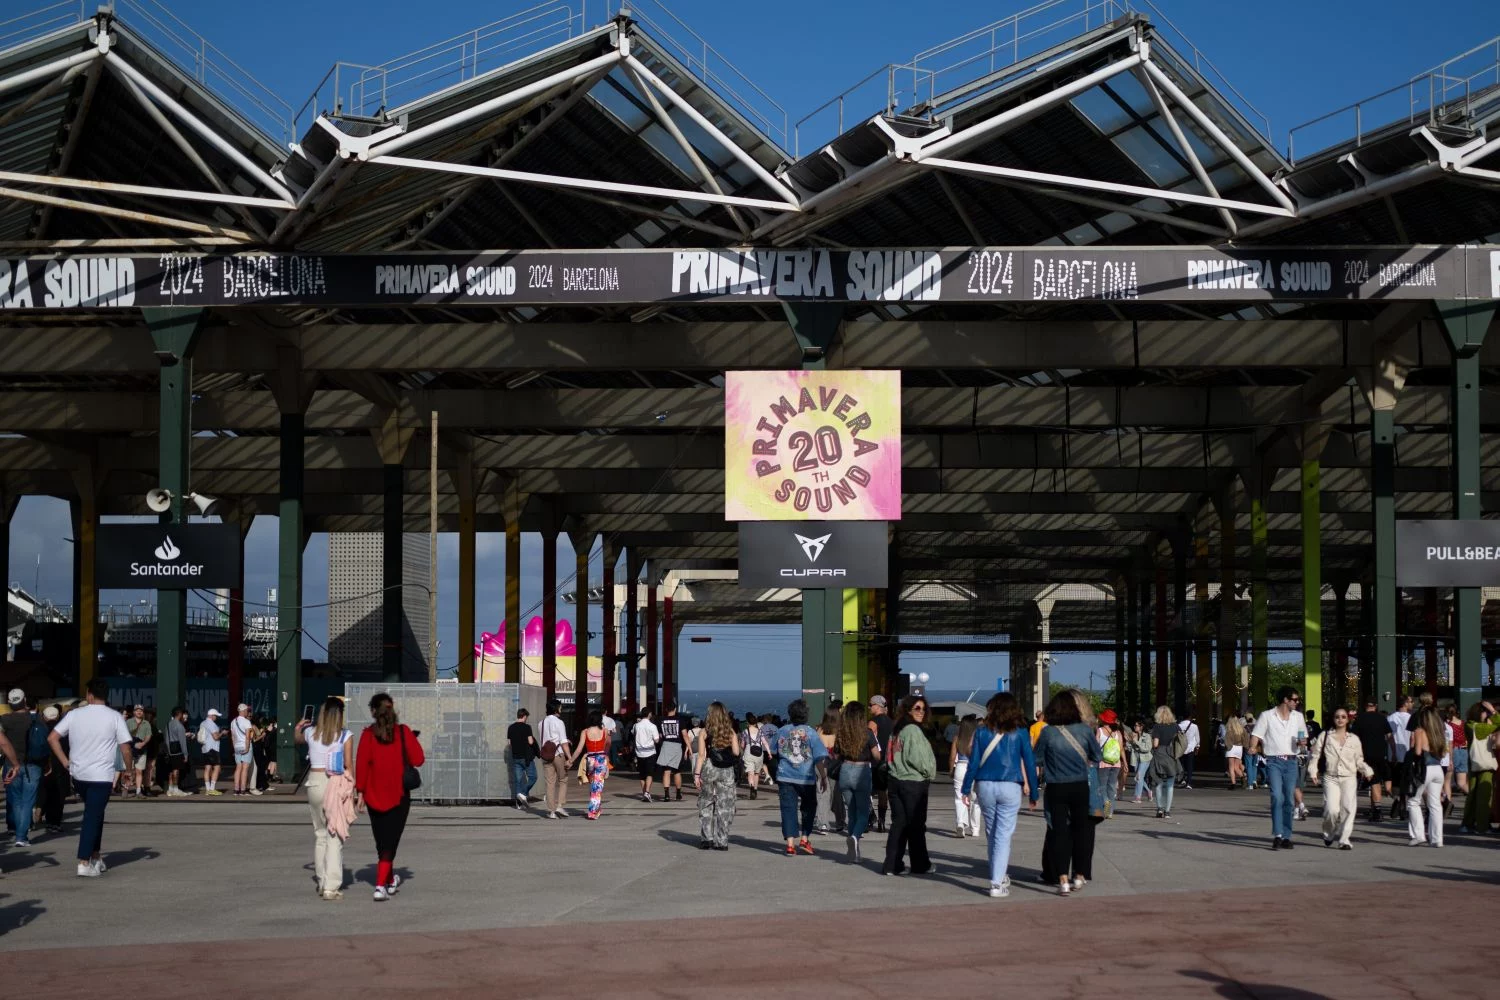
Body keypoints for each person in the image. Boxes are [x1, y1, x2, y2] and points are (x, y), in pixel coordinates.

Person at [48, 677, 131, 877]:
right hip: (101, 776)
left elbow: (52, 738)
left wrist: (65, 761)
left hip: (78, 774)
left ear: (89, 695)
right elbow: (126, 748)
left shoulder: (74, 714)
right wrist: (129, 770)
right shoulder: (114, 717)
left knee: (96, 813)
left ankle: (96, 856)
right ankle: (84, 862)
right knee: (92, 816)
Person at [960, 692, 1039, 898]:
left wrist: (966, 788)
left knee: (992, 832)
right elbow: (1029, 763)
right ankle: (996, 882)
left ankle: (998, 875)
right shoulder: (1021, 732)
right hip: (1010, 785)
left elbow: (974, 762)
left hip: (985, 785)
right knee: (1003, 835)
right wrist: (1034, 792)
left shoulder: (981, 732)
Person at [354, 693, 425, 902]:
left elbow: (362, 763)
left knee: (382, 842)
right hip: (399, 796)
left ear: (373, 712)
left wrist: (360, 792)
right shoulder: (403, 733)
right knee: (390, 843)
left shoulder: (367, 735)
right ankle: (379, 885)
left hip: (374, 795)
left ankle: (388, 879)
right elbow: (419, 759)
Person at [1032, 690, 1100, 895]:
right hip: (1079, 786)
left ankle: (1062, 879)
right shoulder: (1084, 730)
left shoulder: (1047, 732)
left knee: (1060, 832)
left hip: (1056, 786)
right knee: (1080, 831)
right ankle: (1079, 875)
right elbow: (1097, 755)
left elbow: (1036, 759)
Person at [296, 696, 353, 900]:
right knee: (334, 835)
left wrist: (299, 727)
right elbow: (348, 765)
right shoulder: (345, 735)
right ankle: (331, 885)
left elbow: (298, 739)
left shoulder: (311, 732)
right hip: (334, 782)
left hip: (314, 781)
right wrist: (352, 791)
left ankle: (321, 880)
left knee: (320, 834)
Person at [882, 695, 937, 877]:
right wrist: (929, 772)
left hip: (894, 780)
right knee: (916, 825)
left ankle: (892, 864)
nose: (921, 712)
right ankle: (920, 864)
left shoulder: (896, 730)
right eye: (917, 708)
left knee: (899, 824)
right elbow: (918, 758)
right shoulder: (913, 730)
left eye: (923, 708)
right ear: (908, 710)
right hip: (912, 782)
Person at [1250, 686, 1308, 850]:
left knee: (1289, 799)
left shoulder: (1297, 717)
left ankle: (1287, 836)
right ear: (1285, 700)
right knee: (1277, 796)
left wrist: (1302, 742)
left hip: (1291, 761)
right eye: (1295, 700)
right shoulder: (1267, 716)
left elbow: (1303, 737)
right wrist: (1253, 746)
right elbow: (1257, 735)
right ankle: (1278, 834)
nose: (1297, 703)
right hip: (1274, 761)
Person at [1307, 706, 1373, 850]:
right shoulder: (1325, 736)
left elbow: (1359, 760)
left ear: (1348, 719)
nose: (1340, 719)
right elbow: (1315, 755)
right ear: (1333, 719)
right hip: (1330, 778)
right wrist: (1313, 771)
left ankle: (1344, 839)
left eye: (1343, 717)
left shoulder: (1354, 739)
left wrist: (1367, 770)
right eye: (1337, 717)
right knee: (1331, 810)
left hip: (1349, 777)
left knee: (1348, 809)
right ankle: (1329, 832)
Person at [775, 699, 829, 858]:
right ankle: (805, 838)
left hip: (785, 776)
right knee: (809, 806)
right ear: (806, 715)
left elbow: (772, 750)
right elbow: (819, 758)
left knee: (788, 809)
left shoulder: (782, 731)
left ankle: (790, 845)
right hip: (806, 778)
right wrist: (823, 777)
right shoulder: (811, 733)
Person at [834, 700, 880, 862]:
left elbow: (836, 755)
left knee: (851, 812)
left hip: (845, 771)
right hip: (862, 772)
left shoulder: (842, 733)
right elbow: (877, 755)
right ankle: (854, 836)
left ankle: (854, 852)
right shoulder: (867, 733)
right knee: (863, 813)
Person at [692, 702, 740, 849]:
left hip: (709, 768)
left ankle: (706, 839)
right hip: (727, 772)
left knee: (706, 804)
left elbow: (701, 755)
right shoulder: (730, 732)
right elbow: (737, 753)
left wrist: (696, 774)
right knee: (725, 806)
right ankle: (722, 841)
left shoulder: (704, 732)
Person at [2, 693, 43, 846]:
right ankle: (21, 836)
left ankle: (16, 830)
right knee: (28, 801)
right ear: (25, 701)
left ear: (9, 703)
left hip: (11, 764)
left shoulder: (4, 719)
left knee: (16, 800)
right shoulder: (35, 718)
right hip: (33, 763)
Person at [1407, 705, 1447, 848]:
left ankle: (1419, 836)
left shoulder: (1420, 731)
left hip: (1424, 768)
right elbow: (1443, 753)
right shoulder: (1439, 732)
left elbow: (1418, 752)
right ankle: (1437, 839)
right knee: (1435, 804)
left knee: (1413, 801)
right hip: (1438, 768)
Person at [1350, 699, 1392, 822]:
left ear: (1365, 706)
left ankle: (1376, 810)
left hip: (1366, 754)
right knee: (1378, 780)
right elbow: (1389, 736)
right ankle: (1377, 807)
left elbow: (1353, 738)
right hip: (1381, 753)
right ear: (1376, 706)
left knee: (1373, 781)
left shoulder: (1360, 719)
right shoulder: (1382, 718)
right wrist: (1393, 752)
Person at [565, 711, 612, 821]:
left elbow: (579, 749)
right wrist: (606, 754)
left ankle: (597, 808)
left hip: (590, 760)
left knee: (593, 786)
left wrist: (571, 760)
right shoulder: (605, 731)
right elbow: (608, 744)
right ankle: (592, 812)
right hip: (601, 759)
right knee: (597, 786)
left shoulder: (585, 732)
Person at [1461, 702, 1496, 835]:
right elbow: (1498, 723)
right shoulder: (1479, 727)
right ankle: (1482, 826)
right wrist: (1493, 711)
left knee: (1473, 795)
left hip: (1474, 763)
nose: (1487, 714)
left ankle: (1467, 823)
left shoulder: (1469, 725)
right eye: (1484, 712)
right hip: (1485, 764)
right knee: (1484, 796)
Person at [538, 700, 572, 819]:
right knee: (563, 779)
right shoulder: (559, 722)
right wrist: (570, 757)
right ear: (556, 709)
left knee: (549, 783)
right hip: (558, 754)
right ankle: (559, 805)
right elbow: (563, 742)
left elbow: (547, 739)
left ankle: (551, 811)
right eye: (560, 708)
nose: (561, 710)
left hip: (546, 755)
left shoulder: (541, 723)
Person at [950, 715, 982, 837]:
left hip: (960, 767)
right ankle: (975, 829)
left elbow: (953, 757)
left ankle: (960, 824)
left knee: (959, 798)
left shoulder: (957, 738)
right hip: (974, 768)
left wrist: (950, 770)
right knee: (975, 799)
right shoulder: (978, 738)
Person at [37, 705, 67, 833]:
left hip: (45, 766)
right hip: (61, 765)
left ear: (44, 717)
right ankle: (55, 822)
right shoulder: (64, 731)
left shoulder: (41, 730)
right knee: (59, 796)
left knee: (46, 793)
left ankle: (47, 820)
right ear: (58, 716)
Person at [1148, 706, 1182, 819]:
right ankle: (1167, 811)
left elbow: (1155, 744)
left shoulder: (1157, 727)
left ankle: (1160, 809)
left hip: (1160, 755)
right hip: (1172, 755)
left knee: (1159, 783)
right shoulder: (1175, 726)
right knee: (1170, 784)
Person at [867, 695, 893, 833]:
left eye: (871, 705)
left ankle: (871, 816)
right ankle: (882, 822)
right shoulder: (891, 722)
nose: (869, 707)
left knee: (866, 792)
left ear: (877, 706)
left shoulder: (872, 723)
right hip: (887, 761)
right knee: (883, 793)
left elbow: (868, 741)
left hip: (875, 762)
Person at [815, 709, 841, 834]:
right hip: (835, 763)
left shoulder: (819, 730)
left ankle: (823, 822)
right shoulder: (839, 731)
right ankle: (839, 821)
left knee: (822, 792)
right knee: (835, 792)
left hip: (821, 762)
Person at [506, 707, 538, 810]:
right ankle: (523, 794)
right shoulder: (527, 727)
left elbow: (509, 743)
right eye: (526, 717)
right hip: (526, 757)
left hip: (515, 757)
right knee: (533, 777)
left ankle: (518, 804)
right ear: (524, 716)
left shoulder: (510, 727)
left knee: (518, 781)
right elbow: (530, 742)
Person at [656, 704, 688, 803]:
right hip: (677, 746)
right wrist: (689, 748)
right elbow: (685, 735)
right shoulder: (680, 720)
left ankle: (666, 795)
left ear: (666, 709)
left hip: (666, 745)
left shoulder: (661, 720)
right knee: (677, 771)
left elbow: (660, 735)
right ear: (675, 709)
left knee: (666, 772)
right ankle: (678, 793)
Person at [1095, 709, 1123, 816]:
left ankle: (1105, 802)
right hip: (1116, 763)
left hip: (1103, 762)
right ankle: (1109, 812)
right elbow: (1120, 748)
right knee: (1111, 786)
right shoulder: (1118, 732)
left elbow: (1096, 747)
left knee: (1102, 786)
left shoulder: (1100, 730)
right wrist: (1123, 761)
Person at [740, 712, 772, 800]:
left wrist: (743, 747)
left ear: (748, 722)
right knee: (756, 773)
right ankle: (755, 789)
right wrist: (769, 753)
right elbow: (765, 742)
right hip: (759, 753)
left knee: (750, 773)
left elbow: (742, 745)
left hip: (748, 752)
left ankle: (751, 788)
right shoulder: (760, 731)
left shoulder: (745, 732)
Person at [122, 704, 152, 797]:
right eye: (137, 710)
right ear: (134, 712)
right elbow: (124, 734)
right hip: (129, 750)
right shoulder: (128, 722)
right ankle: (126, 788)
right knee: (127, 770)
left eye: (141, 710)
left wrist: (142, 744)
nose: (139, 712)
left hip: (141, 750)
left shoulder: (146, 723)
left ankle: (138, 791)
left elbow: (148, 735)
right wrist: (133, 744)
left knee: (139, 771)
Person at [632, 706, 661, 802]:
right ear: (649, 714)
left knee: (642, 775)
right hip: (650, 752)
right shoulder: (652, 726)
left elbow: (633, 734)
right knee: (649, 773)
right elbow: (656, 740)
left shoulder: (636, 725)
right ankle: (647, 792)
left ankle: (644, 792)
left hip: (639, 752)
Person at [162, 706, 192, 796]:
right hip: (177, 751)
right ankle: (176, 789)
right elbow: (183, 742)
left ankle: (170, 789)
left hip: (169, 750)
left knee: (171, 771)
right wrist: (186, 755)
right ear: (179, 714)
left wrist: (167, 751)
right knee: (176, 770)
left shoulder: (168, 724)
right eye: (182, 714)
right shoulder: (180, 726)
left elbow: (166, 738)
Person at [230, 703, 256, 796]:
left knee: (238, 768)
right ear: (244, 711)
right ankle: (243, 790)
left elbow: (233, 736)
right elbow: (248, 737)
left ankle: (236, 790)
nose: (248, 712)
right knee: (245, 769)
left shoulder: (233, 722)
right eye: (247, 711)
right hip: (245, 746)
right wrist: (247, 748)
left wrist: (234, 748)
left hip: (237, 747)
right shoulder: (246, 722)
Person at [198, 708, 225, 795]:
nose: (216, 717)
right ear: (212, 716)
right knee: (217, 768)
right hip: (213, 748)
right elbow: (216, 737)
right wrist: (222, 733)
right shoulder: (212, 724)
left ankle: (208, 789)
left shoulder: (203, 723)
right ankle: (212, 789)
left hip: (205, 748)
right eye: (216, 716)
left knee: (207, 768)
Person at [1443, 704, 1468, 801]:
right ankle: (1478, 798)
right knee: (1462, 783)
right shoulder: (1463, 723)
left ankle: (1447, 803)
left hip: (1454, 751)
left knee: (1446, 781)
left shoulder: (1448, 725)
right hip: (1464, 751)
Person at [1129, 719, 1153, 804]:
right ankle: (1148, 791)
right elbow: (1129, 748)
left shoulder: (1147, 736)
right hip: (1136, 759)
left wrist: (1136, 742)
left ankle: (1138, 797)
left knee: (1138, 777)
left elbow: (1147, 749)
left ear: (1141, 727)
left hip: (1145, 759)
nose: (1135, 727)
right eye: (1134, 725)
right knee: (1140, 778)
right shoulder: (1133, 735)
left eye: (1136, 726)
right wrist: (1130, 741)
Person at [1177, 713, 1200, 789]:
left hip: (1181, 748)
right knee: (1190, 766)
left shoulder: (1178, 726)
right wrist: (1197, 747)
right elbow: (1197, 738)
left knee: (1181, 764)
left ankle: (1182, 779)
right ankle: (1189, 782)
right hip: (1190, 748)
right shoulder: (1194, 726)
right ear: (1190, 717)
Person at [1223, 715, 1246, 790]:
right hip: (1239, 748)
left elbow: (1227, 741)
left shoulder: (1229, 729)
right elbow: (1246, 738)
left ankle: (1233, 783)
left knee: (1231, 767)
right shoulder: (1241, 729)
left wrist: (1227, 747)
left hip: (1232, 748)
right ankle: (1243, 778)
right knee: (1237, 767)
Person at [1242, 714, 1261, 790]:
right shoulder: (1257, 728)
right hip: (1256, 748)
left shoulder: (1244, 728)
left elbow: (1242, 739)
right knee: (1254, 765)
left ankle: (1250, 784)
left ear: (1246, 719)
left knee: (1248, 766)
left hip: (1248, 748)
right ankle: (1254, 781)